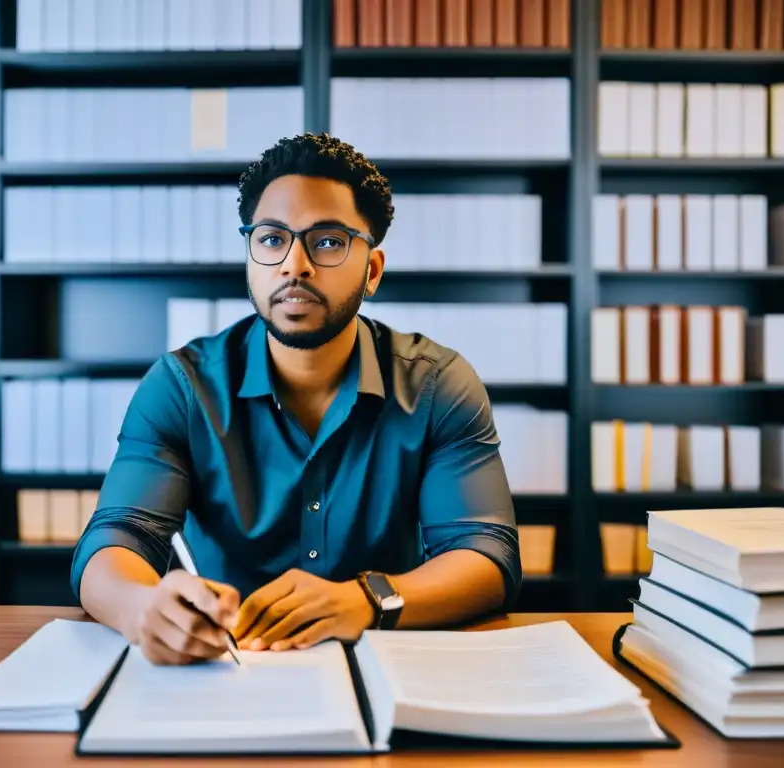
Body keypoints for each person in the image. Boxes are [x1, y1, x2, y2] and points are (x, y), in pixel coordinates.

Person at [71, 133, 522, 666]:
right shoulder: (181, 386)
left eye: (327, 241)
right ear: (250, 255)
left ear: (372, 270)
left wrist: (367, 599)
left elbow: (487, 554)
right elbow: (116, 537)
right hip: (224, 667)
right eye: (271, 239)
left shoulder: (437, 385)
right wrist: (142, 607)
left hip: (388, 664)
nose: (294, 265)